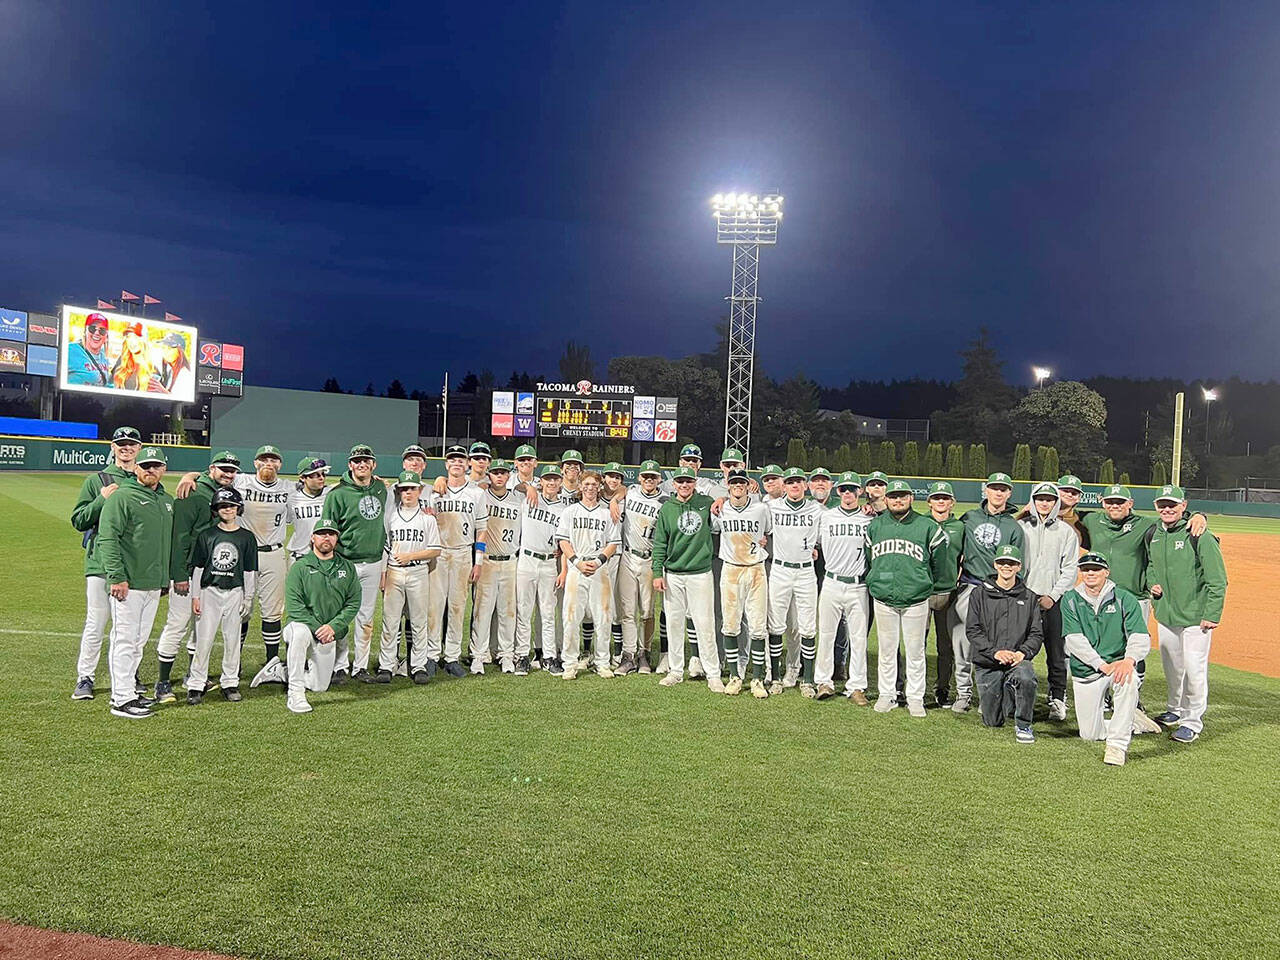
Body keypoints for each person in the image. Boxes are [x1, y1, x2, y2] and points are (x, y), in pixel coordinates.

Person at [1078, 483, 1205, 735]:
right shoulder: (1092, 520)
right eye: (1110, 501)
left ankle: (1132, 699)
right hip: (1099, 597)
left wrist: (1198, 516)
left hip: (1135, 598)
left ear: (1131, 504)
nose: (1115, 506)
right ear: (1102, 503)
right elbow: (1067, 510)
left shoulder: (1146, 525)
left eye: (1120, 502)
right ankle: (1105, 697)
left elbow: (1173, 518)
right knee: (1099, 646)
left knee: (1135, 649)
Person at [95, 447, 174, 719]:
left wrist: (163, 579)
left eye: (156, 466)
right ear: (136, 468)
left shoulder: (166, 500)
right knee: (125, 640)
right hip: (128, 584)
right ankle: (120, 699)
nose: (150, 470)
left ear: (164, 468)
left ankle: (129, 691)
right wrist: (117, 576)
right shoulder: (123, 497)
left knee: (138, 641)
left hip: (153, 583)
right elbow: (107, 538)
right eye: (145, 466)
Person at [154, 450, 240, 702]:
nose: (228, 473)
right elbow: (180, 537)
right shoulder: (192, 494)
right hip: (189, 572)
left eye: (232, 470)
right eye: (223, 468)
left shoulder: (221, 491)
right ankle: (162, 683)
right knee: (178, 624)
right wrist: (179, 574)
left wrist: (190, 474)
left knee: (200, 627)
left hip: (211, 573)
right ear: (212, 468)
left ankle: (194, 676)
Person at [1146, 485, 1228, 744]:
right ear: (1156, 507)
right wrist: (1152, 583)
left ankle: (1192, 721)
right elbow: (1150, 565)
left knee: (1194, 669)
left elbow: (1218, 580)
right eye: (1163, 505)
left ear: (1184, 506)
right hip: (1167, 613)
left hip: (1195, 617)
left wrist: (1212, 614)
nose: (1167, 509)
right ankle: (1174, 709)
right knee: (1173, 667)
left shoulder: (1200, 535)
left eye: (1173, 505)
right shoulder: (1155, 533)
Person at [69, 425, 141, 701]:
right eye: (121, 443)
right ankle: (85, 677)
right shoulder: (96, 480)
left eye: (131, 443)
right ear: (113, 447)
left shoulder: (143, 477)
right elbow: (79, 520)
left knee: (130, 626)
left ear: (139, 447)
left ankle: (128, 675)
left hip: (133, 563)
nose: (126, 447)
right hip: (101, 562)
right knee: (97, 621)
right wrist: (101, 499)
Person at [866, 480, 947, 717]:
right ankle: (887, 694)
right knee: (887, 649)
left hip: (916, 597)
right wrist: (877, 581)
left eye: (902, 496)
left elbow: (939, 564)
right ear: (887, 499)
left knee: (915, 651)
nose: (898, 500)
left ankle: (915, 697)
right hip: (883, 596)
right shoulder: (876, 526)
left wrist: (923, 582)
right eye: (893, 496)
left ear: (911, 498)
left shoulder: (926, 526)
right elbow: (870, 558)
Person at [1061, 552, 1150, 766]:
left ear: (1106, 573)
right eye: (1085, 569)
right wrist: (1101, 664)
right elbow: (1074, 640)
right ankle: (1131, 720)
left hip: (1119, 665)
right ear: (1080, 573)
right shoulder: (1070, 599)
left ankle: (1117, 747)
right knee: (1090, 734)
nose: (1090, 573)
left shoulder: (1124, 598)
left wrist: (1129, 660)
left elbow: (1140, 635)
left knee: (1129, 679)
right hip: (1087, 671)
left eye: (1096, 569)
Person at [952, 472, 1024, 712]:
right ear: (986, 490)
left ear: (1009, 493)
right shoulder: (969, 517)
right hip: (970, 586)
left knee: (992, 645)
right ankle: (963, 693)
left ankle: (989, 697)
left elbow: (1018, 564)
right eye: (994, 488)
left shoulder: (1013, 526)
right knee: (963, 642)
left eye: (1003, 489)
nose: (998, 492)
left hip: (997, 591)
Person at [319, 444, 390, 682]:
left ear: (373, 465)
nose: (362, 464)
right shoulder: (337, 494)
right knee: (340, 615)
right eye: (357, 461)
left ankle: (360, 666)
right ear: (350, 465)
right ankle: (339, 666)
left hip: (372, 562)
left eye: (366, 461)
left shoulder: (381, 488)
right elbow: (327, 532)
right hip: (345, 562)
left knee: (365, 617)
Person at [651, 465, 723, 692]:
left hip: (700, 572)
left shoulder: (705, 503)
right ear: (674, 484)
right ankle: (675, 670)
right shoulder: (667, 509)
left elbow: (724, 516)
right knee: (674, 623)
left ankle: (713, 673)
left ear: (695, 483)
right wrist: (656, 573)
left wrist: (720, 500)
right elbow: (660, 542)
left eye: (688, 481)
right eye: (680, 481)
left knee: (704, 623)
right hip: (673, 573)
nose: (684, 485)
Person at [278, 522, 362, 714]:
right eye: (321, 533)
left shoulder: (347, 567)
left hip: (329, 632)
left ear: (336, 539)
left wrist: (332, 627)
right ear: (312, 538)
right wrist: (319, 629)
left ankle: (282, 671)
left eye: (331, 534)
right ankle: (295, 693)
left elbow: (353, 602)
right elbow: (295, 608)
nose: (326, 538)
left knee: (319, 686)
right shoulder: (299, 567)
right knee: (299, 634)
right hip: (302, 626)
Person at [186, 488, 258, 703]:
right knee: (204, 640)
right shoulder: (207, 535)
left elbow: (249, 570)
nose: (228, 509)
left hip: (235, 591)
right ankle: (196, 684)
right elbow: (198, 568)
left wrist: (248, 597)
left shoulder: (246, 537)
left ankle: (230, 682)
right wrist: (195, 596)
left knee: (233, 640)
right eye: (223, 506)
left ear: (239, 508)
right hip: (210, 592)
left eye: (232, 506)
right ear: (216, 510)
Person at [966, 545, 1043, 743]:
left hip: (1017, 661)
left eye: (1011, 563)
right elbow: (973, 631)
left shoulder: (1030, 597)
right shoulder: (978, 594)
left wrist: (1022, 654)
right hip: (988, 662)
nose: (1006, 566)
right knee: (993, 720)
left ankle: (1024, 725)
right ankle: (1005, 694)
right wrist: (994, 653)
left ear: (1019, 567)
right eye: (1002, 562)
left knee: (1026, 676)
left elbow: (1036, 634)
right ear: (995, 565)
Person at [1018, 481, 1080, 720]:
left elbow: (1070, 569)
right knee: (1022, 651)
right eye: (1040, 498)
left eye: (1049, 499)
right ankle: (1020, 696)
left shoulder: (1065, 532)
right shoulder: (1021, 527)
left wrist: (1053, 596)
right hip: (1024, 599)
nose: (1045, 503)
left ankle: (1057, 698)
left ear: (1056, 503)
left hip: (1054, 601)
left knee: (1056, 653)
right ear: (1033, 501)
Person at [376, 471, 441, 684]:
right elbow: (385, 548)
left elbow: (435, 550)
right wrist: (383, 574)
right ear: (398, 491)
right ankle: (387, 665)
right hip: (394, 571)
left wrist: (411, 556)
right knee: (390, 620)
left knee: (419, 621)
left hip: (418, 571)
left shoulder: (427, 518)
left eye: (412, 488)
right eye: (404, 488)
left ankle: (418, 665)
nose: (408, 492)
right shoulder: (391, 516)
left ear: (420, 490)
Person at [427, 445, 487, 676]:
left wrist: (478, 561)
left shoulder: (476, 493)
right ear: (446, 464)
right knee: (435, 607)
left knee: (457, 607)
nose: (457, 463)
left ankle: (451, 657)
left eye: (461, 460)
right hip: (438, 553)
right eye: (452, 459)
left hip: (462, 553)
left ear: (467, 464)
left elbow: (481, 529)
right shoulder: (434, 491)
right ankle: (432, 655)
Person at [711, 469, 771, 696]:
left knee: (757, 626)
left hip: (755, 569)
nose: (738, 486)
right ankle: (735, 676)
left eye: (741, 483)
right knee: (730, 624)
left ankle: (756, 679)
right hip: (731, 569)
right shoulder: (721, 508)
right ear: (728, 486)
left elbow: (768, 532)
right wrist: (721, 500)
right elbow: (714, 529)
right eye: (734, 482)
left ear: (748, 486)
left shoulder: (761, 508)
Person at [813, 472, 871, 703]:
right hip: (832, 581)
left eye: (852, 489)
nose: (848, 493)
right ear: (838, 491)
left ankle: (856, 686)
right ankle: (823, 682)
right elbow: (811, 540)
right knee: (826, 635)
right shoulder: (826, 517)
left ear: (860, 492)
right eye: (844, 489)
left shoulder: (869, 519)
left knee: (859, 638)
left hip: (859, 584)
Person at [557, 472, 621, 680]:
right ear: (580, 486)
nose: (590, 487)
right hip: (577, 565)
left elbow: (613, 543)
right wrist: (576, 561)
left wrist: (600, 560)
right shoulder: (570, 511)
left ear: (599, 486)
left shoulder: (606, 513)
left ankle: (602, 661)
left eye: (594, 484)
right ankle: (570, 662)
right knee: (571, 616)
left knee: (603, 616)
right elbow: (563, 541)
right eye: (586, 484)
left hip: (598, 565)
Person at [766, 467, 822, 693]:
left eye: (799, 481)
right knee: (776, 625)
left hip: (806, 572)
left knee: (806, 627)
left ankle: (806, 679)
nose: (795, 486)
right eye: (790, 482)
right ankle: (776, 676)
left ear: (805, 485)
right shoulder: (772, 507)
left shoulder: (817, 509)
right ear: (784, 486)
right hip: (779, 570)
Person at [472, 459, 523, 674]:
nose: (499, 476)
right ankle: (477, 655)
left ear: (509, 476)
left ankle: (506, 654)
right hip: (488, 560)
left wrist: (529, 487)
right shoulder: (481, 496)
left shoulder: (519, 499)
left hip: (510, 561)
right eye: (495, 473)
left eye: (503, 473)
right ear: (489, 476)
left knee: (507, 612)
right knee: (482, 612)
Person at [516, 464, 567, 675]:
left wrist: (563, 570)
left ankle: (549, 656)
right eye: (548, 479)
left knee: (548, 612)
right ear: (541, 481)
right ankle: (522, 655)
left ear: (560, 482)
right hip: (527, 559)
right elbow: (514, 486)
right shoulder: (527, 498)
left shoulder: (564, 509)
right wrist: (529, 487)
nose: (552, 482)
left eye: (555, 479)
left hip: (548, 563)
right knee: (523, 610)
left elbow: (564, 543)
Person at [616, 460, 665, 675]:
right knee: (627, 611)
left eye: (653, 477)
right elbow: (619, 490)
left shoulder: (664, 501)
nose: (649, 480)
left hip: (649, 559)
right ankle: (628, 655)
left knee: (646, 611)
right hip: (628, 556)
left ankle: (643, 653)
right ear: (639, 478)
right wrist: (614, 500)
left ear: (659, 479)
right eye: (645, 476)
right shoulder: (631, 492)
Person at [924, 481, 965, 708]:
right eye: (937, 497)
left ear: (952, 502)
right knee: (916, 644)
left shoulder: (959, 526)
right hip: (922, 592)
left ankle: (942, 689)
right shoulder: (920, 523)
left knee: (946, 646)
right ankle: (915, 688)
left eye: (945, 498)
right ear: (929, 501)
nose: (941, 501)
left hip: (948, 592)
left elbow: (965, 557)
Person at [284, 456, 331, 566]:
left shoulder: (331, 494)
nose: (321, 478)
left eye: (323, 474)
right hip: (299, 556)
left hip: (325, 557)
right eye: (315, 475)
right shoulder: (292, 498)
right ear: (302, 478)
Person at [65, 312, 112, 386]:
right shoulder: (70, 350)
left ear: (106, 336)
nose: (97, 333)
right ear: (85, 331)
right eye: (92, 328)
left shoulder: (104, 356)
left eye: (102, 330)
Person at [110, 321, 151, 391]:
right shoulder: (121, 362)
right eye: (129, 336)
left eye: (135, 337)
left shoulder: (152, 370)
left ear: (144, 339)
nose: (132, 341)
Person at [153, 332, 193, 397]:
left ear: (180, 351)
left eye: (170, 348)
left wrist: (163, 391)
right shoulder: (170, 371)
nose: (166, 351)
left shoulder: (185, 375)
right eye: (163, 348)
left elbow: (184, 402)